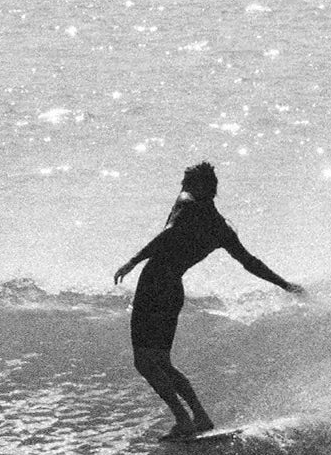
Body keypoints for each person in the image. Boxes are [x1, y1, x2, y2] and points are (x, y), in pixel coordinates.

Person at [110, 160, 300, 437]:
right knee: (162, 361)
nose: (182, 188)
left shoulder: (186, 202)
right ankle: (199, 417)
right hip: (174, 289)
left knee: (144, 362)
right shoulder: (220, 228)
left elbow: (168, 235)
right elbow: (249, 262)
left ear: (197, 186)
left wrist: (132, 261)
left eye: (186, 183)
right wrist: (285, 285)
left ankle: (183, 419)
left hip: (154, 285)